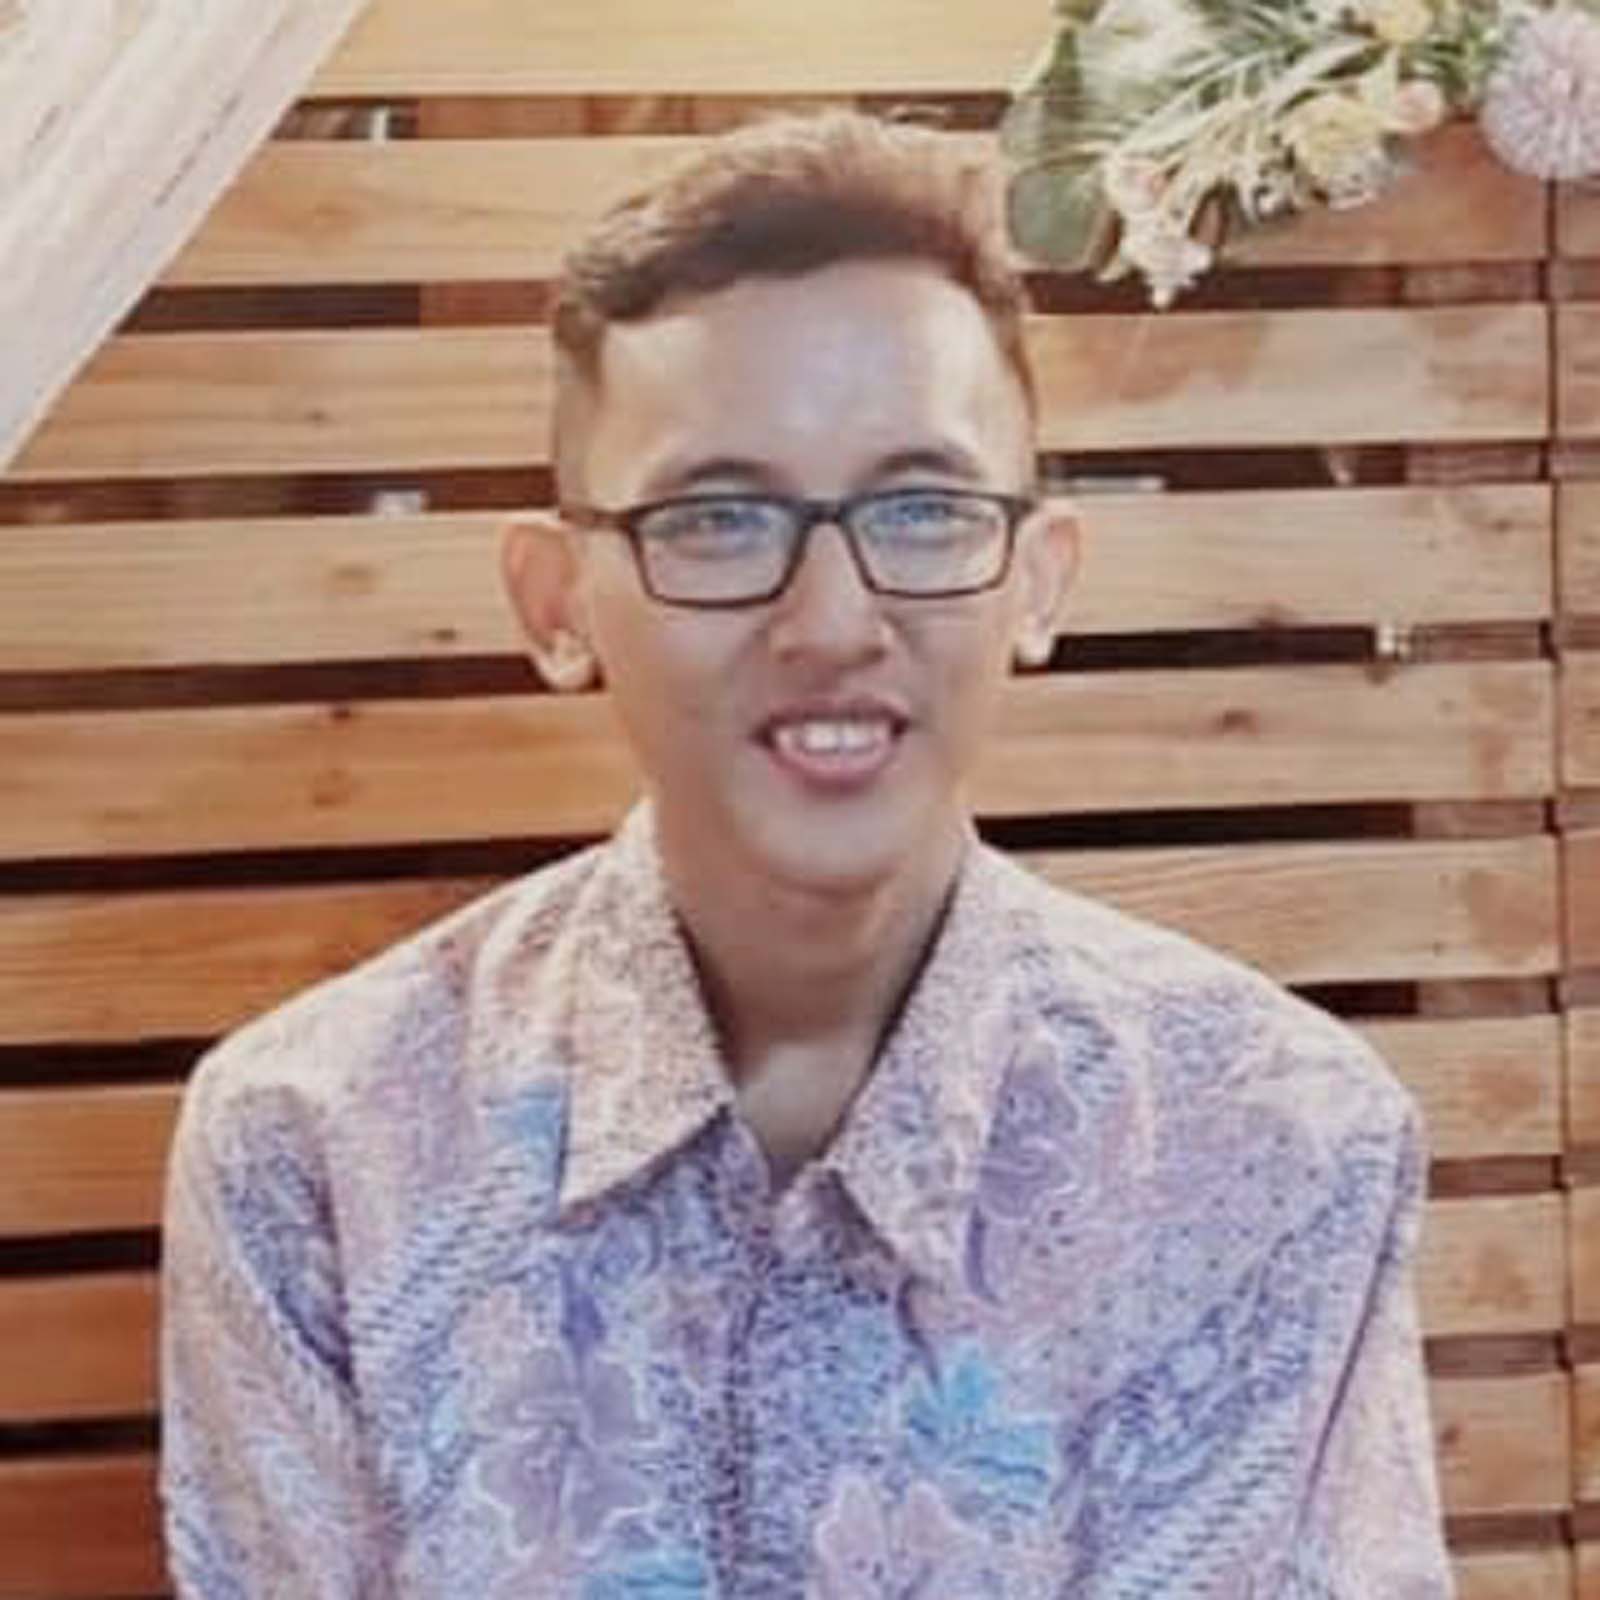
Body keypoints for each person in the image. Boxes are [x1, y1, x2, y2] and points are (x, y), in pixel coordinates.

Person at [160, 109, 1454, 1597]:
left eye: (923, 509)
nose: (833, 622)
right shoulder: (313, 1147)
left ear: (1039, 581)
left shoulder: (1273, 1148)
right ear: (555, 602)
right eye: (717, 519)